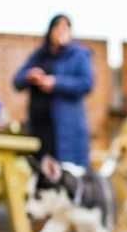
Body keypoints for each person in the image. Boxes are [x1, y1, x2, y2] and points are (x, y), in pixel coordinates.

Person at [14, 14, 94, 167]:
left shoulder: (79, 55)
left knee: (66, 172)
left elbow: (86, 83)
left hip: (66, 130)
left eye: (66, 27)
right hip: (39, 128)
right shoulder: (39, 55)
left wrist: (56, 83)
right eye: (58, 27)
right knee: (40, 173)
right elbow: (17, 81)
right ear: (50, 30)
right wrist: (30, 76)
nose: (61, 31)